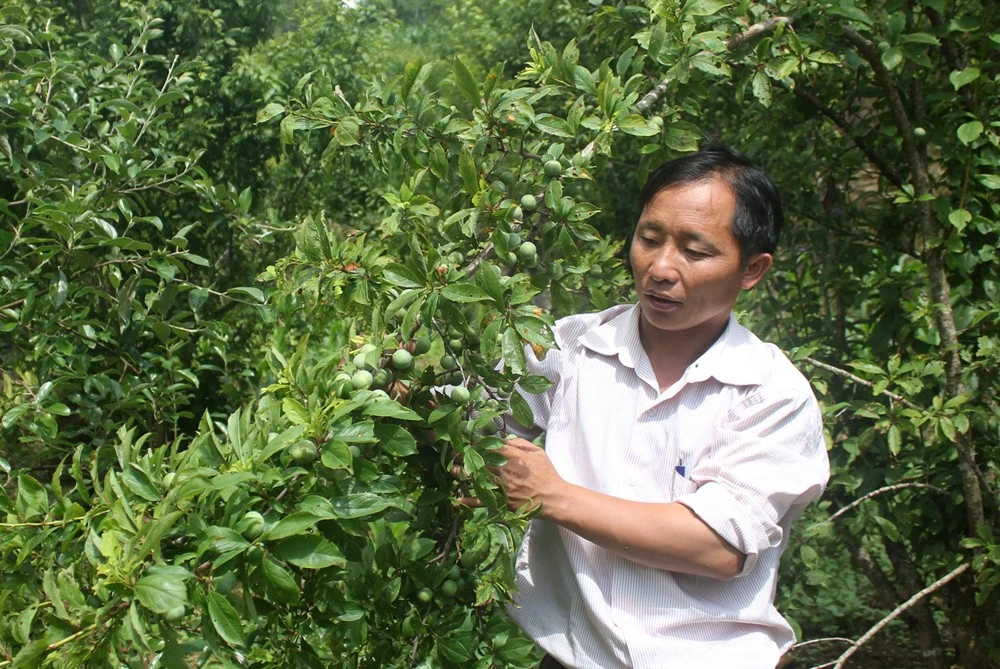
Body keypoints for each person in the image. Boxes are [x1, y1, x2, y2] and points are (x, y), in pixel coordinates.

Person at [457, 145, 830, 668]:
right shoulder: (570, 347)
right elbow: (472, 420)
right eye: (649, 240)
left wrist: (552, 496)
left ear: (752, 269)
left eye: (695, 253)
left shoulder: (770, 395)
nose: (660, 268)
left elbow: (717, 547)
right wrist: (412, 391)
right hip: (573, 658)